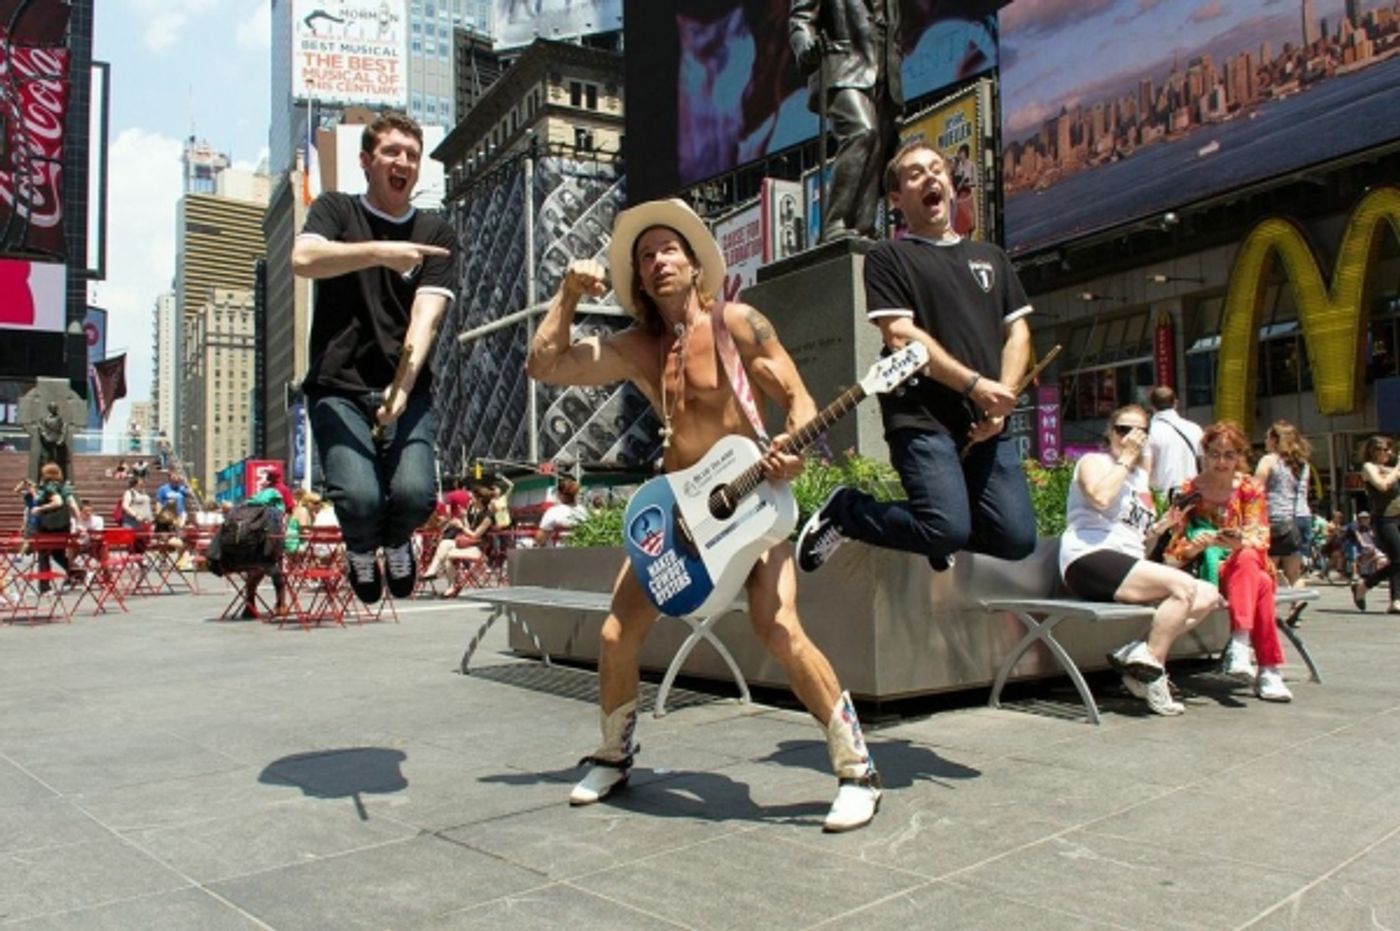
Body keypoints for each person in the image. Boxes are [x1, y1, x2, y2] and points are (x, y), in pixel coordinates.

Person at [526, 198, 881, 832]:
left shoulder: (739, 323)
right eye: (645, 255)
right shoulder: (639, 346)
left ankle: (858, 770)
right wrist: (568, 292)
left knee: (779, 630)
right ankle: (613, 753)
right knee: (615, 634)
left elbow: (799, 401)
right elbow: (544, 365)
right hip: (680, 520)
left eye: (669, 249)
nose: (657, 260)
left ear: (695, 266)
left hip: (752, 512)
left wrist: (792, 455)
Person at [796, 140, 1037, 576]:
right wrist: (974, 386)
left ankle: (934, 529)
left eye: (936, 170)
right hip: (921, 418)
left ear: (949, 183)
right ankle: (848, 511)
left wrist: (1002, 398)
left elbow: (1017, 332)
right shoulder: (889, 257)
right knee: (944, 529)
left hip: (986, 423)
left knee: (1016, 539)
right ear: (896, 199)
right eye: (915, 174)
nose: (930, 178)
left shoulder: (992, 258)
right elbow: (901, 336)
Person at [291, 111, 458, 606]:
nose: (402, 162)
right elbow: (304, 259)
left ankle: (396, 540)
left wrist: (402, 390)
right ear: (367, 161)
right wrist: (382, 251)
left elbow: (426, 317)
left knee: (414, 496)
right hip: (336, 386)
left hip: (404, 386)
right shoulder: (336, 210)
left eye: (411, 154)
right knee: (360, 500)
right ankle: (361, 547)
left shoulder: (435, 233)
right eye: (391, 152)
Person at [1057, 405, 1221, 715]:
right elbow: (1100, 497)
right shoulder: (1094, 461)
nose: (1131, 438)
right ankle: (1154, 674)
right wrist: (1125, 460)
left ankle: (1140, 655)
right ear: (1110, 432)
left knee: (1208, 593)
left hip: (1124, 563)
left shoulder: (1141, 479)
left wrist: (1162, 526)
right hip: (1088, 557)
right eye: (1123, 430)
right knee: (1183, 586)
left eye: (1140, 433)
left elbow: (1139, 546)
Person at [1166, 421, 1294, 702]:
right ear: (1204, 454)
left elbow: (1260, 536)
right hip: (1208, 572)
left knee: (1248, 559)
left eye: (1229, 455)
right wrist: (1197, 545)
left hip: (1245, 565)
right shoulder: (1190, 490)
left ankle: (1240, 642)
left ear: (1239, 456)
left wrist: (1239, 543)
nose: (1221, 462)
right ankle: (1268, 669)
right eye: (1214, 454)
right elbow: (1174, 549)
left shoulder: (1250, 488)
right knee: (1260, 583)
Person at [789, 0, 902, 240]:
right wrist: (806, 47)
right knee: (861, 132)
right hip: (843, 65)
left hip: (884, 71)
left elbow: (893, 29)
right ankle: (835, 221)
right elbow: (801, 19)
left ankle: (864, 225)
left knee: (878, 148)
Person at [1254, 420, 1314, 588]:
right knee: (1295, 571)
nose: (1265, 442)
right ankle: (1297, 600)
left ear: (1275, 440)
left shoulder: (1269, 460)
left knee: (1267, 567)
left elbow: (1254, 487)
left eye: (1267, 438)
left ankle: (1270, 608)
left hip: (1277, 520)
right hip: (1302, 518)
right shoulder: (1303, 464)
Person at [1352, 435, 1400, 613]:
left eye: (1388, 449)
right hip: (1384, 519)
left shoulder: (1390, 469)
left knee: (1397, 560)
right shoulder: (1369, 467)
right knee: (1399, 558)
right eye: (1381, 449)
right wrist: (1397, 469)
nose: (1386, 452)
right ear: (1372, 451)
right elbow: (1382, 485)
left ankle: (1395, 601)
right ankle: (1365, 586)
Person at [1145, 385, 1202, 501]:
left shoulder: (1149, 432)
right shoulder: (1194, 428)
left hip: (1162, 499)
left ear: (1152, 406)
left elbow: (1146, 469)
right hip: (1192, 495)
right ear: (1175, 403)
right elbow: (1205, 463)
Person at [536, 476, 587, 545]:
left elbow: (541, 539)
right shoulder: (584, 511)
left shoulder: (553, 512)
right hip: (580, 550)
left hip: (557, 552)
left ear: (559, 494)